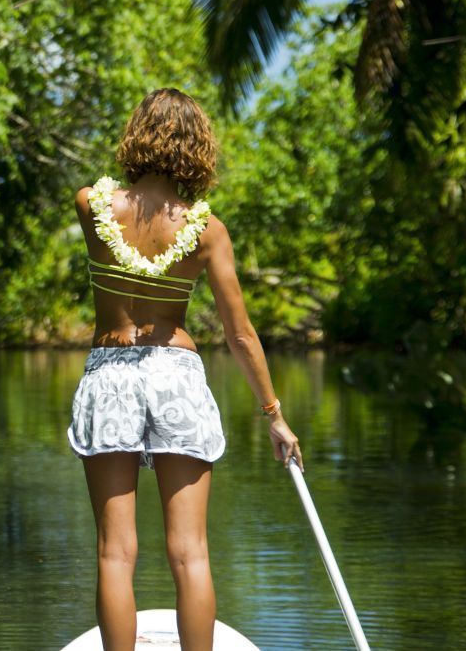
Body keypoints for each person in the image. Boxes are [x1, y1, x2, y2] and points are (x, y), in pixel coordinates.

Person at [67, 88, 301, 651]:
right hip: (177, 372)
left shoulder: (92, 206)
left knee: (115, 552)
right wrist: (274, 415)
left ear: (137, 136)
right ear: (197, 147)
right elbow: (240, 334)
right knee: (190, 550)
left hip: (111, 374)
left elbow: (120, 218)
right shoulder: (206, 230)